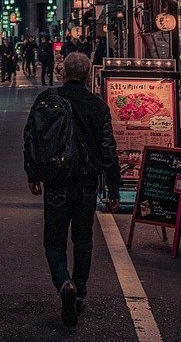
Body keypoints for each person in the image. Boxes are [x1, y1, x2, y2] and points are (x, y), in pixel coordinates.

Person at [24, 53, 120, 327]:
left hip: (56, 181)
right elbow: (108, 149)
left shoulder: (47, 98)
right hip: (86, 184)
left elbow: (31, 136)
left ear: (63, 72)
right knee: (83, 239)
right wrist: (114, 189)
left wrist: (33, 174)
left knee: (54, 241)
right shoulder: (97, 106)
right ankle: (79, 293)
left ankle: (63, 282)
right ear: (89, 75)